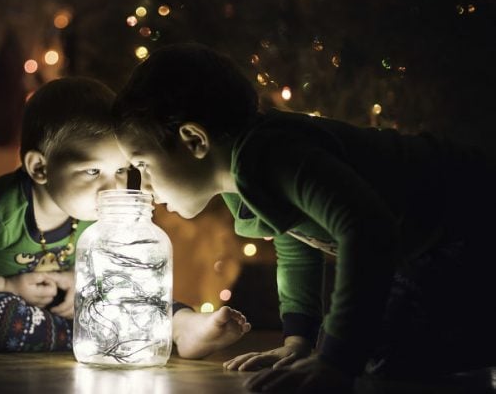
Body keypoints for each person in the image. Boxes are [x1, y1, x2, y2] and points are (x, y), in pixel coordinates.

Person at [111, 42, 496, 392]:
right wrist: (299, 340)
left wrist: (335, 363)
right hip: (423, 245)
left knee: (378, 352)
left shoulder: (275, 153)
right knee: (364, 342)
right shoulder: (243, 180)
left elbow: (367, 228)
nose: (143, 185)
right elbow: (293, 242)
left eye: (143, 164)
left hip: (470, 220)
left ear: (194, 140)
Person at [0, 76, 251, 356]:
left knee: (129, 288)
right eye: (92, 171)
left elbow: (109, 274)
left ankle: (182, 326)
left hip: (71, 306)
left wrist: (80, 280)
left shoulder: (94, 211)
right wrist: (7, 285)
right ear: (40, 168)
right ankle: (95, 337)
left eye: (121, 170)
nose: (111, 186)